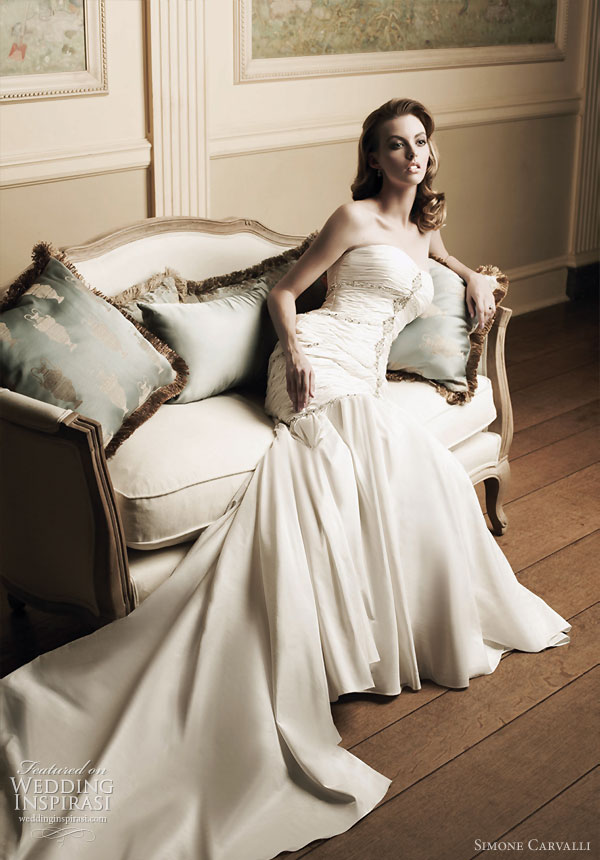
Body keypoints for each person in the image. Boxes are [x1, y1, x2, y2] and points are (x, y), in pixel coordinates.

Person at [0, 98, 570, 860]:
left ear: (431, 154)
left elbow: (437, 260)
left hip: (360, 378)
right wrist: (295, 353)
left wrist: (472, 281)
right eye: (395, 146)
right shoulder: (352, 217)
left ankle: (371, 632)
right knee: (370, 443)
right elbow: (282, 292)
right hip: (315, 364)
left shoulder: (424, 227)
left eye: (421, 144)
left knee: (398, 455)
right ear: (373, 158)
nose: (411, 156)